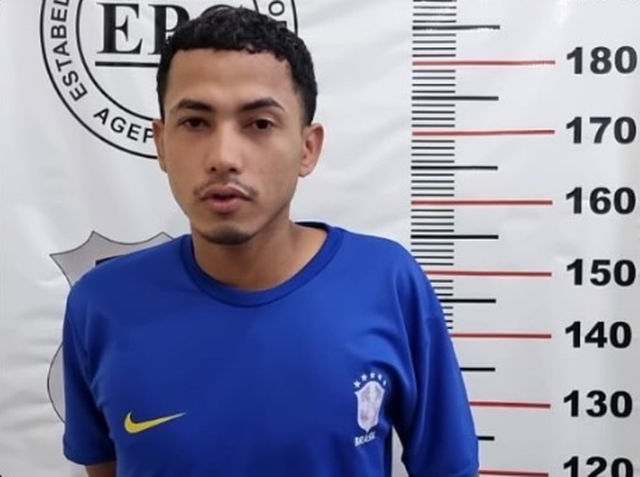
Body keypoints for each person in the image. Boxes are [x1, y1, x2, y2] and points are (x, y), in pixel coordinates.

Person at [61, 6, 479, 477]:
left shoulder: (387, 282)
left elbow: (448, 467)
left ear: (307, 147)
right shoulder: (102, 303)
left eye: (259, 123)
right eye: (195, 122)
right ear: (161, 144)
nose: (223, 157)